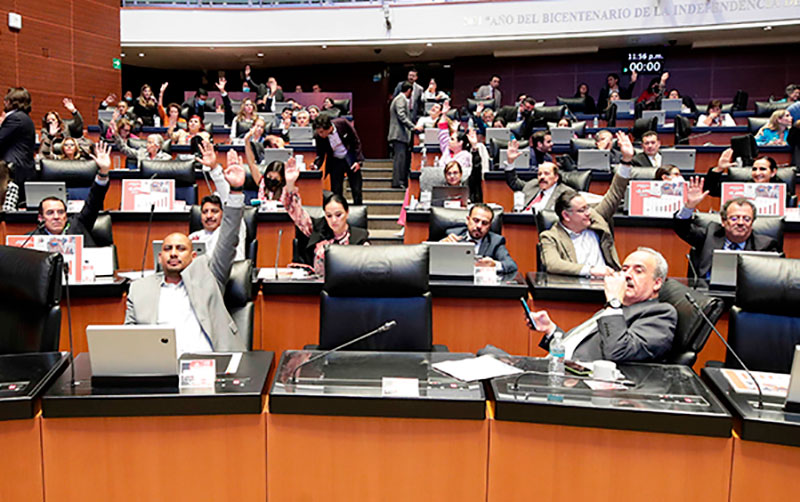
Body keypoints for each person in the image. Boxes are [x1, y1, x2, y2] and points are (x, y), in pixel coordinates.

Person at [125, 148, 248, 354]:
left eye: (181, 248)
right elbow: (127, 340)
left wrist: (235, 191)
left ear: (193, 256)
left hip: (210, 363)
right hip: (161, 365)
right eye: (168, 249)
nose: (173, 253)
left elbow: (229, 237)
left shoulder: (209, 275)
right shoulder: (139, 289)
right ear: (160, 257)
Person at [530, 247, 677, 363]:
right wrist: (551, 330)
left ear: (657, 283)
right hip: (557, 367)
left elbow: (618, 351)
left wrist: (614, 302)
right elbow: (580, 345)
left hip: (581, 383)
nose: (627, 275)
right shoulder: (616, 309)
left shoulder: (660, 313)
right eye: (624, 269)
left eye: (638, 271)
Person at [539, 131, 634, 277]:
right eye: (582, 210)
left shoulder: (595, 219)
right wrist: (591, 271)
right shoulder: (550, 237)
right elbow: (553, 264)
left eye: (587, 208)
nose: (588, 212)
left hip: (610, 282)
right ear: (566, 215)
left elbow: (614, 194)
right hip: (579, 285)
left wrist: (626, 160)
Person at [674, 177, 781, 279]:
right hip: (707, 289)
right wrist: (689, 207)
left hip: (746, 291)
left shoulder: (765, 246)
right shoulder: (710, 235)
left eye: (746, 219)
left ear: (752, 223)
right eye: (734, 218)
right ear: (724, 221)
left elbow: (774, 278)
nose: (740, 223)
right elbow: (682, 228)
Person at [281, 157, 369, 275]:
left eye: (338, 215)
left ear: (347, 212)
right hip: (317, 283)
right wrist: (290, 184)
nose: (334, 220)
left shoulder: (359, 237)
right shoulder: (317, 228)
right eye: (329, 216)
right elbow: (294, 210)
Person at [34, 141, 111, 246]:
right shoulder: (32, 240)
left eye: (61, 212)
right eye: (50, 213)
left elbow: (94, 201)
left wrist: (103, 172)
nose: (56, 217)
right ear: (41, 218)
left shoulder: (78, 224)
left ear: (66, 215)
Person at [440, 203, 518, 276]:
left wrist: (495, 265)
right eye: (476, 220)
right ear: (467, 220)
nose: (479, 226)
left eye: (484, 223)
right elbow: (435, 260)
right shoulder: (453, 235)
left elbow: (511, 265)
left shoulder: (495, 241)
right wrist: (441, 246)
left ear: (489, 226)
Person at [504, 137, 569, 213]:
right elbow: (513, 182)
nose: (542, 177)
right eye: (539, 174)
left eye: (546, 173)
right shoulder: (533, 185)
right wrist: (510, 162)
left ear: (556, 177)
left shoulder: (565, 193)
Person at [312, 114, 365, 205]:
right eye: (318, 132)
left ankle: (358, 208)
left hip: (350, 157)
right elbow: (320, 153)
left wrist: (358, 161)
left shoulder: (343, 124)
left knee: (356, 189)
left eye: (321, 132)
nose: (320, 134)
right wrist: (316, 165)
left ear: (329, 128)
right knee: (336, 190)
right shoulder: (318, 136)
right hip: (335, 160)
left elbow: (356, 141)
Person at [0, 87, 36, 199]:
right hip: (22, 168)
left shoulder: (15, 118)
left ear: (13, 102)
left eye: (6, 100)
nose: (4, 102)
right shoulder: (25, 118)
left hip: (13, 169)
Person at [704, 150, 784, 197]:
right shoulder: (744, 187)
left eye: (762, 169)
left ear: (773, 172)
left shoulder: (783, 190)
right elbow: (710, 190)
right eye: (754, 169)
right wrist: (719, 169)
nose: (757, 173)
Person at [243, 124, 286, 201]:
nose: (271, 180)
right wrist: (246, 141)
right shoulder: (262, 182)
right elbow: (251, 163)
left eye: (276, 179)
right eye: (269, 176)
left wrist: (281, 147)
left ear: (281, 179)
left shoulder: (286, 187)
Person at [388, 82, 415, 189]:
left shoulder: (399, 98)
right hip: (398, 134)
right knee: (400, 159)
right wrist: (412, 126)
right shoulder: (401, 99)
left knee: (400, 159)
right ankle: (397, 182)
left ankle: (399, 181)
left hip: (399, 135)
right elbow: (401, 115)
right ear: (409, 90)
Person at [435, 102, 471, 172]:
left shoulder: (466, 156)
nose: (449, 141)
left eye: (452, 139)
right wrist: (444, 114)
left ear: (460, 143)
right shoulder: (446, 150)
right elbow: (443, 131)